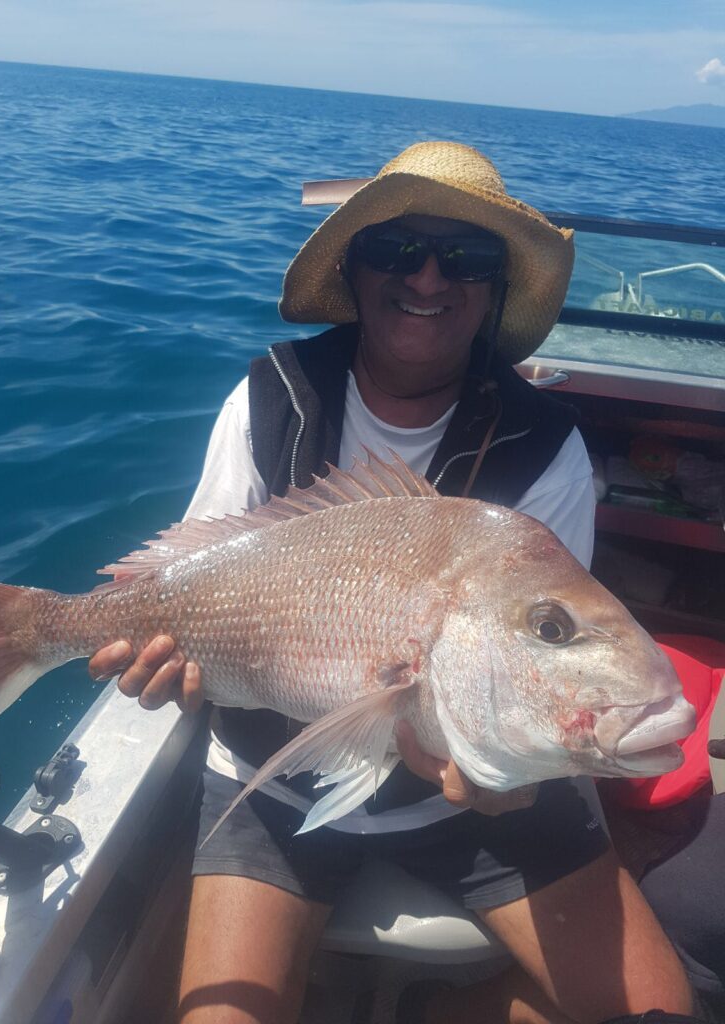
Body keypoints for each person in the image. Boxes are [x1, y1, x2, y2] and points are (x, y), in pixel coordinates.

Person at [88, 142, 701, 1024]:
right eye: (396, 250)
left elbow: (527, 670)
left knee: (659, 1013)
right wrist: (167, 669)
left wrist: (501, 783)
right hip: (273, 769)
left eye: (468, 258)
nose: (428, 277)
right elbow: (191, 584)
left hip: (484, 799)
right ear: (354, 266)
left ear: (494, 292)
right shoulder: (270, 399)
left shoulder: (545, 445)